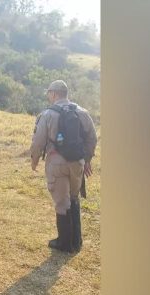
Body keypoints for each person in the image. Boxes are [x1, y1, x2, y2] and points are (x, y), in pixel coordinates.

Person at [30, 80, 97, 253]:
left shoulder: (48, 114)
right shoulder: (82, 112)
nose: (48, 96)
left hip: (57, 163)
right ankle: (76, 240)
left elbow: (38, 141)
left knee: (62, 202)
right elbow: (92, 137)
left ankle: (64, 243)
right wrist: (87, 158)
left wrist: (34, 160)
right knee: (74, 198)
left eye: (48, 93)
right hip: (78, 162)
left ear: (53, 93)